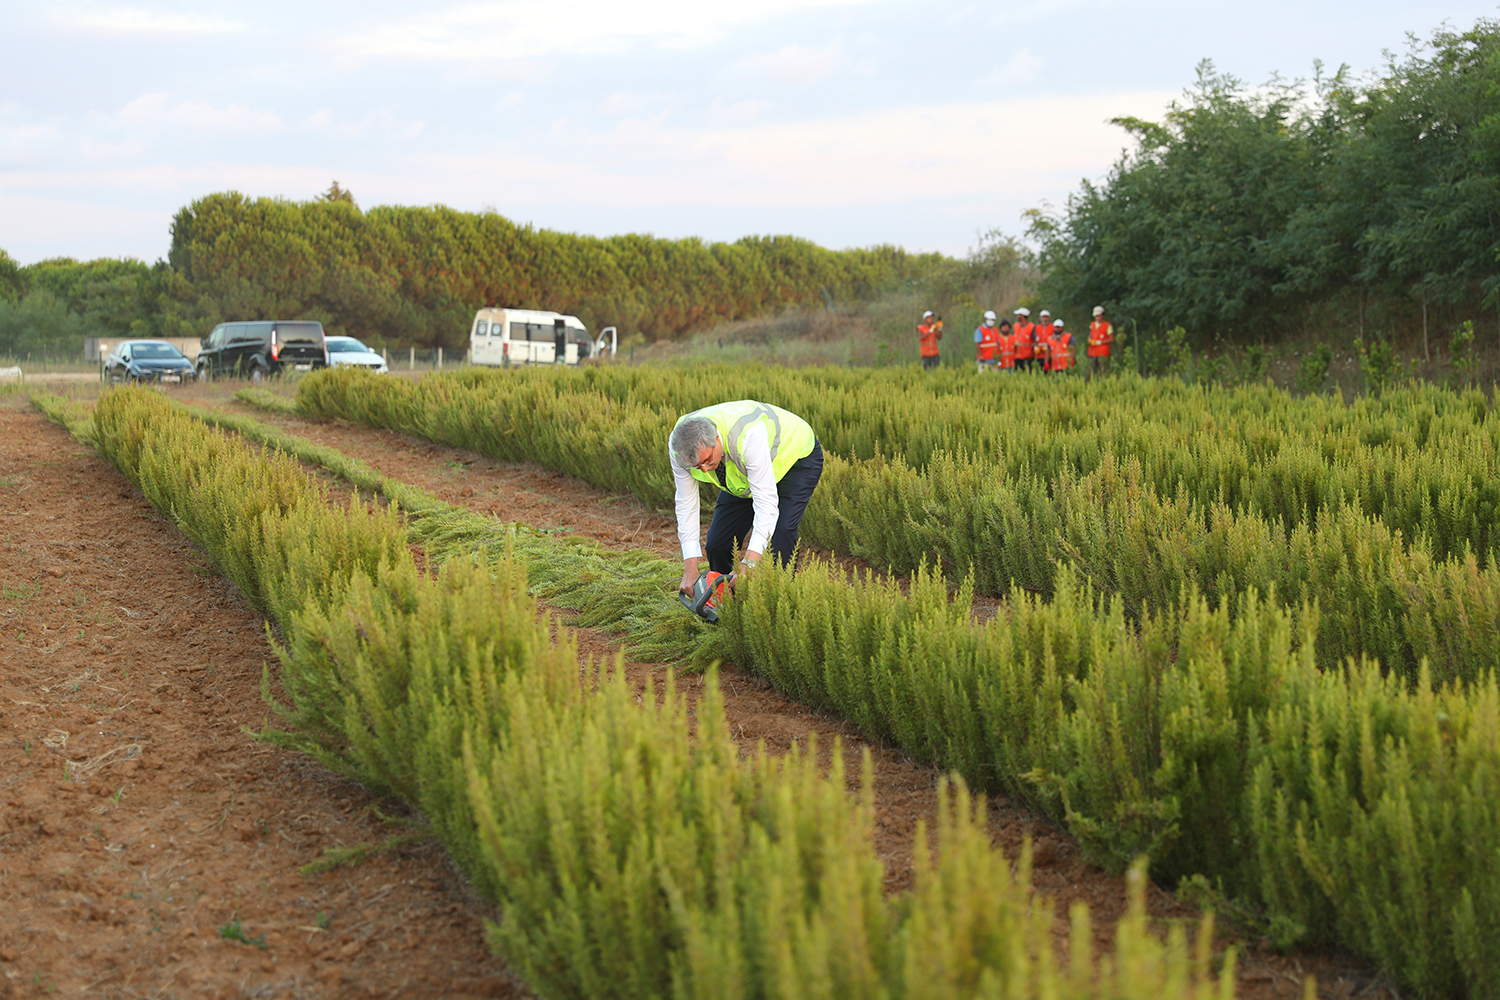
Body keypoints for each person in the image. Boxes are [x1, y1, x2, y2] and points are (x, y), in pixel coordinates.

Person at [669, 401, 824, 596]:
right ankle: (726, 602)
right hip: (743, 472)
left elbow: (766, 506)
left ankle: (778, 602)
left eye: (707, 460)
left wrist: (749, 563)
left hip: (794, 459)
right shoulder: (678, 447)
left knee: (781, 532)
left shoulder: (748, 436)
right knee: (717, 544)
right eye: (696, 466)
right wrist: (690, 567)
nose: (704, 469)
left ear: (717, 439)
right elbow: (686, 504)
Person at [1087, 305, 1114, 379]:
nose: (1097, 317)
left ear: (1102, 315)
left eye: (1098, 315)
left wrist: (1100, 342)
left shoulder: (1107, 325)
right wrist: (1089, 340)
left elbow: (1111, 339)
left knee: (1103, 372)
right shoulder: (1092, 325)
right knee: (1091, 371)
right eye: (1096, 316)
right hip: (1092, 352)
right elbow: (1090, 335)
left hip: (1102, 352)